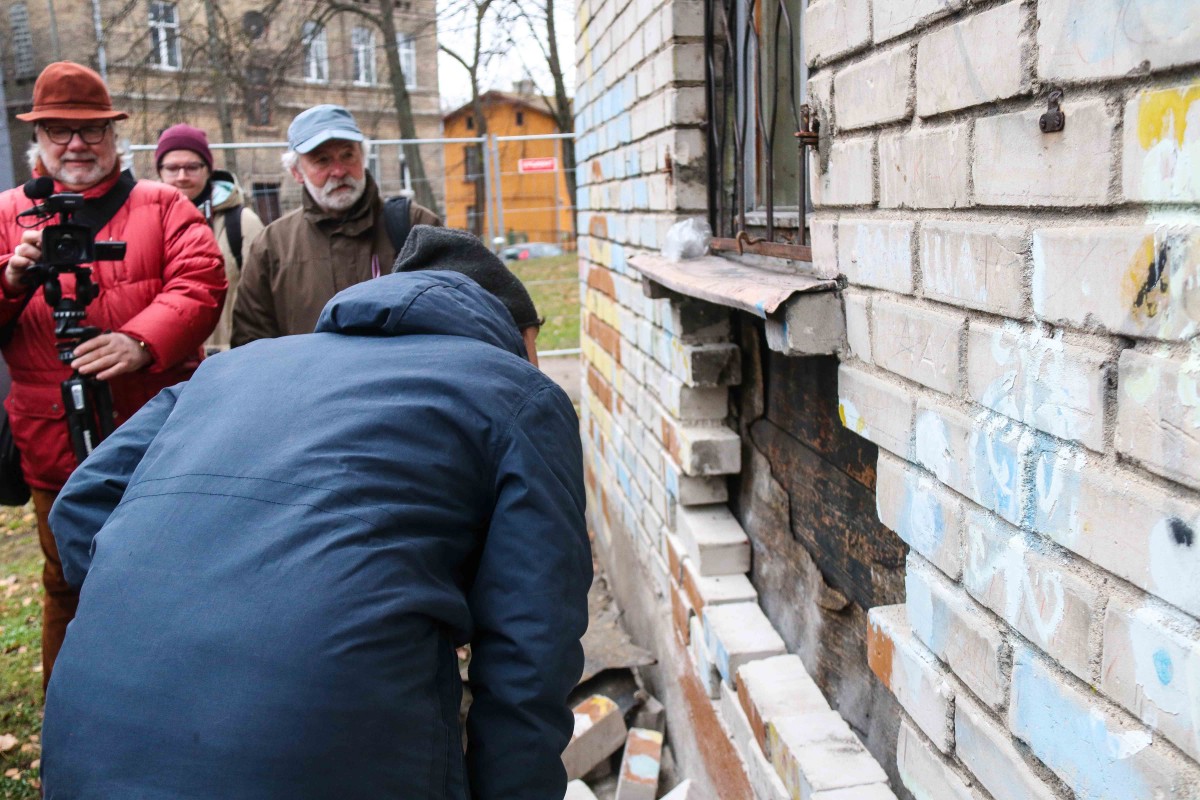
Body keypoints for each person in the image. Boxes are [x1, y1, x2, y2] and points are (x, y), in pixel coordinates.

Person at [42, 226, 589, 800]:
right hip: (325, 751)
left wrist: (157, 601)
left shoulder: (228, 369)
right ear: (515, 333)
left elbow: (82, 502)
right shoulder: (520, 394)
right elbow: (531, 651)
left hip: (92, 735)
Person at [0, 62, 225, 687]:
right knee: (66, 583)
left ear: (113, 134)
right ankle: (70, 726)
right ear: (37, 138)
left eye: (90, 130)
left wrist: (140, 340)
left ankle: (172, 704)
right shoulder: (7, 213)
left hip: (156, 436)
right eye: (58, 130)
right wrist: (11, 280)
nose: (76, 144)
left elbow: (202, 282)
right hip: (50, 442)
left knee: (172, 574)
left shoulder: (164, 206)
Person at [231, 104, 441, 347]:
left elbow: (455, 318)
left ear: (362, 157)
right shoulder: (272, 246)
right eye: (322, 160)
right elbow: (251, 346)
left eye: (347, 155)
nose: (339, 171)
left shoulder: (417, 226)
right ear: (297, 172)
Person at [155, 123, 264, 352]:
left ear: (208, 169)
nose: (182, 177)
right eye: (172, 168)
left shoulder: (243, 223)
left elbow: (263, 301)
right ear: (160, 172)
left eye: (192, 167)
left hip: (228, 360)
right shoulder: (147, 224)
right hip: (165, 362)